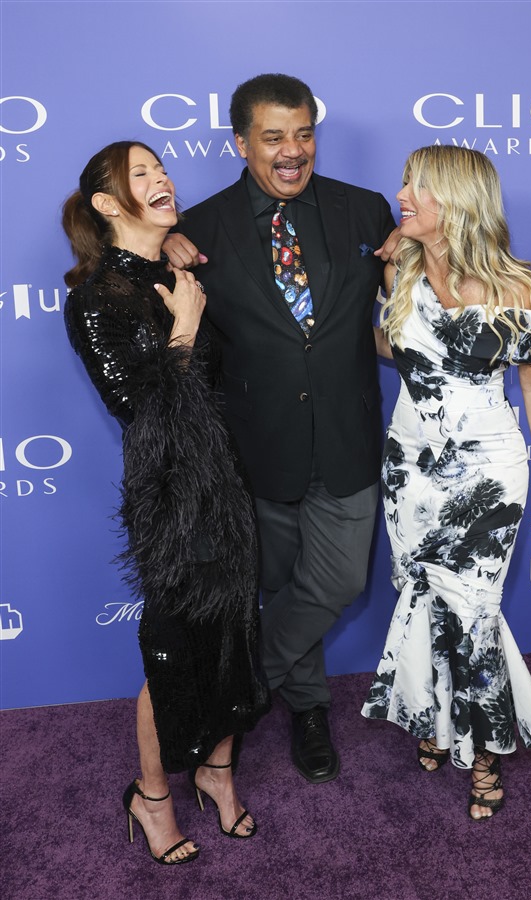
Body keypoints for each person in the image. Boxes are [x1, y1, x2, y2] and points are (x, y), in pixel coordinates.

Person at [164, 73, 399, 783]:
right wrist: (162, 251)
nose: (292, 150)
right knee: (281, 583)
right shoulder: (200, 229)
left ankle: (230, 688)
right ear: (242, 143)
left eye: (303, 134)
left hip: (348, 437)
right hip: (257, 445)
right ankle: (309, 708)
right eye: (273, 137)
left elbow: (407, 307)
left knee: (336, 581)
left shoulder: (366, 210)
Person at [62, 141, 270, 863]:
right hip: (169, 490)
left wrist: (183, 291)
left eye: (161, 169)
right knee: (173, 645)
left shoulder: (178, 274)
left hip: (224, 478)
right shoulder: (95, 298)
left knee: (234, 629)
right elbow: (141, 410)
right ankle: (151, 796)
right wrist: (182, 326)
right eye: (141, 175)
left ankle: (217, 772)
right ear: (107, 204)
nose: (162, 180)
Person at [361, 145, 531, 819]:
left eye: (415, 185)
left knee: (473, 611)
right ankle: (431, 715)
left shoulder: (514, 287)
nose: (401, 195)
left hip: (488, 471)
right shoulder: (401, 270)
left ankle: (484, 754)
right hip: (409, 466)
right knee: (420, 594)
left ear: (453, 199)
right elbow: (397, 350)